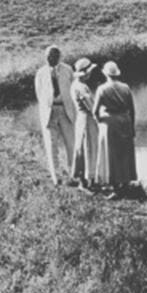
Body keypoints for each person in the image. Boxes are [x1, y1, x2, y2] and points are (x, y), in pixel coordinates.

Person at [33, 45, 77, 186]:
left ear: (59, 57)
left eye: (53, 56)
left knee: (71, 143)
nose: (50, 59)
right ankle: (56, 176)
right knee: (51, 145)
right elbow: (39, 94)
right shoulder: (40, 73)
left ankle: (73, 175)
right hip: (49, 112)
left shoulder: (68, 70)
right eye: (48, 56)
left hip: (65, 110)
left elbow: (74, 90)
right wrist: (47, 108)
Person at [92, 61, 137, 194]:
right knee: (125, 152)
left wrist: (100, 122)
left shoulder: (102, 89)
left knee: (112, 153)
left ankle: (114, 183)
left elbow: (95, 111)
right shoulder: (126, 88)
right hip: (125, 121)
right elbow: (132, 110)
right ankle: (126, 181)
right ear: (117, 74)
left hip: (110, 122)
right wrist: (132, 126)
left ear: (105, 74)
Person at [70, 57, 100, 187]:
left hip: (80, 118)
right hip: (87, 119)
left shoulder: (76, 85)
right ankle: (89, 180)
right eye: (89, 72)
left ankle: (83, 178)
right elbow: (91, 106)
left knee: (81, 147)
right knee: (90, 147)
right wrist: (100, 117)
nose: (90, 74)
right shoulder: (81, 87)